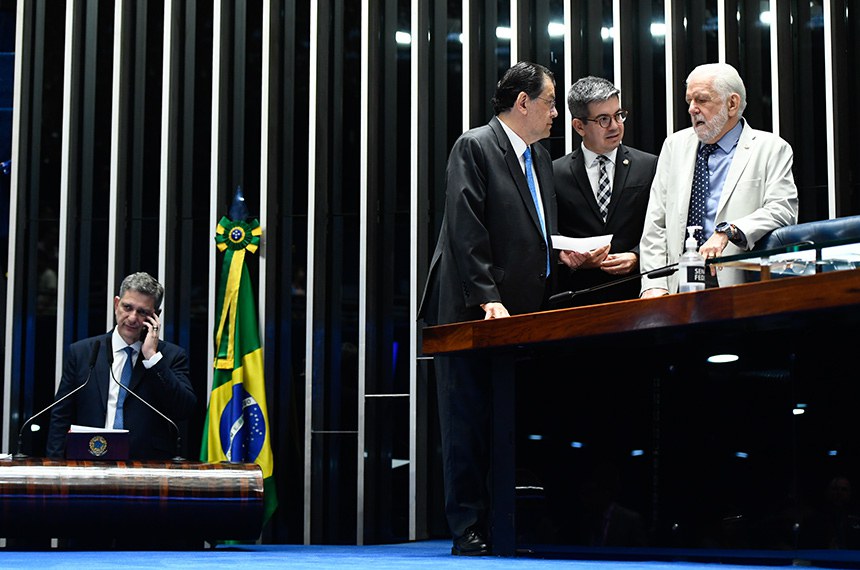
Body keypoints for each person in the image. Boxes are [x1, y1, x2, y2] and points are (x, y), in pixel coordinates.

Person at [419, 61, 574, 556]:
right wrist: (488, 296)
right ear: (523, 103)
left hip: (523, 312)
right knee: (466, 421)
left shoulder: (541, 158)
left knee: (507, 418)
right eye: (550, 102)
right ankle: (467, 527)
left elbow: (531, 232)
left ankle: (505, 522)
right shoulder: (475, 146)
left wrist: (566, 254)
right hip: (472, 309)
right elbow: (466, 228)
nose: (556, 113)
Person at [639, 63, 798, 297]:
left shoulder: (771, 148)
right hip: (677, 282)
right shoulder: (674, 146)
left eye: (701, 100)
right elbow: (656, 222)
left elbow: (782, 210)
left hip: (738, 281)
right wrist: (654, 285)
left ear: (732, 104)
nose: (692, 109)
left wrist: (729, 231)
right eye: (689, 101)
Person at [46, 272, 197, 460]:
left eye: (142, 312)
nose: (132, 318)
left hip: (147, 467)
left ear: (155, 316)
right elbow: (60, 416)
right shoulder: (83, 352)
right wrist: (55, 466)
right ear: (116, 304)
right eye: (127, 307)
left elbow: (184, 409)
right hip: (89, 461)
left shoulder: (170, 356)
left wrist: (151, 357)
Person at [553, 76, 658, 305]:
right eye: (603, 119)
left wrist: (637, 256)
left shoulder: (649, 165)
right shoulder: (554, 173)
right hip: (577, 300)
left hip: (636, 294)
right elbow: (548, 235)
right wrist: (569, 258)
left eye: (619, 115)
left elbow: (662, 226)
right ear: (579, 126)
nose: (615, 126)